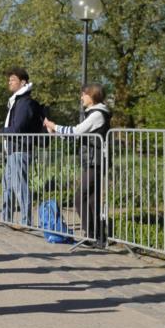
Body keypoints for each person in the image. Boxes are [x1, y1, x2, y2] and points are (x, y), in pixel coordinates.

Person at [44, 83, 112, 247]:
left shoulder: (97, 114)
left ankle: (94, 235)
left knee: (80, 198)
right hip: (92, 160)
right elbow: (76, 136)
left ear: (92, 95)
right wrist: (57, 132)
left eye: (83, 94)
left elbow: (76, 131)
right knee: (90, 199)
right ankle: (95, 236)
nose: (81, 97)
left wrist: (54, 126)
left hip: (95, 161)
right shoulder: (93, 113)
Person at [0, 67, 43, 226]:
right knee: (8, 186)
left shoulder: (24, 103)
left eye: (13, 79)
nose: (9, 82)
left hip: (20, 149)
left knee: (19, 187)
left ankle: (26, 221)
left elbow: (18, 128)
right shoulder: (17, 101)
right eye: (9, 79)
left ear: (23, 82)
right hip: (13, 149)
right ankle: (6, 219)